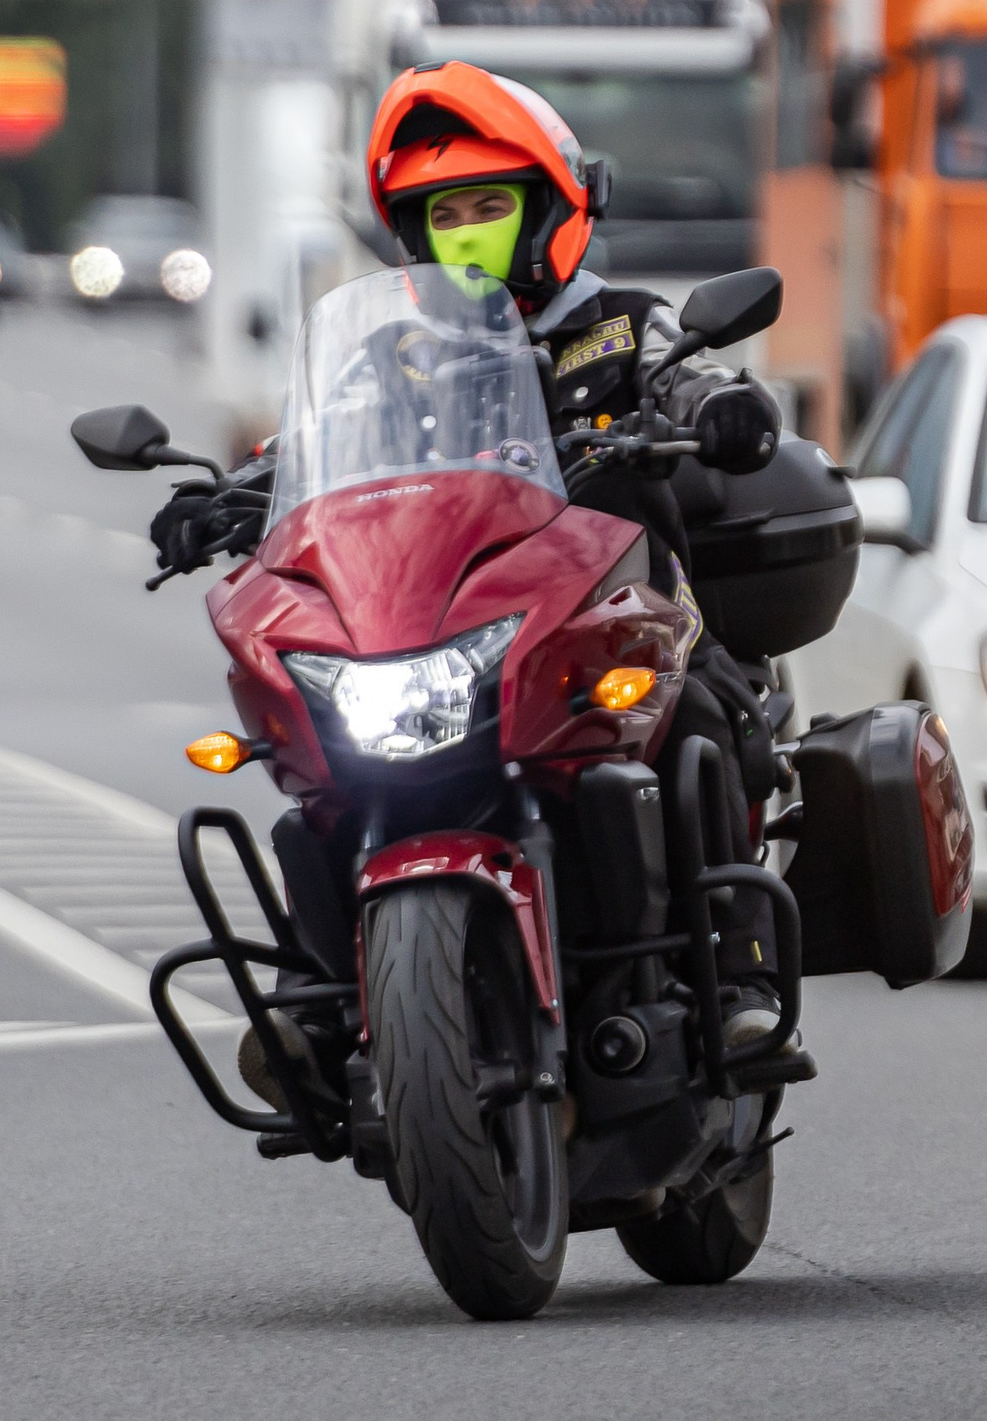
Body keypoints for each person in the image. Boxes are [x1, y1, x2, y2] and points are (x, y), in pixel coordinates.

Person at [155, 60, 799, 1088]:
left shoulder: (629, 326)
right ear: (412, 237)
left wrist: (722, 410)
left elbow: (701, 378)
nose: (465, 232)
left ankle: (741, 981)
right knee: (316, 778)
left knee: (706, 716)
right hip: (446, 616)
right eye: (442, 214)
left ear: (551, 207)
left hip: (615, 608)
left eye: (489, 206)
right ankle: (317, 1004)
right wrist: (226, 496)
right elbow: (307, 451)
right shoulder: (388, 355)